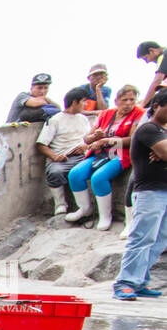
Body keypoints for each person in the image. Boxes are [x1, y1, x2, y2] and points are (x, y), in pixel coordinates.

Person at [113, 89, 167, 300]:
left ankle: (140, 281)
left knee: (159, 241)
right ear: (157, 106)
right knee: (142, 238)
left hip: (163, 191)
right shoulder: (148, 129)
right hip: (150, 192)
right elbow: (164, 152)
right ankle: (125, 283)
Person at [67, 85, 145, 230]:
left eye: (132, 100)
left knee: (99, 177)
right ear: (116, 100)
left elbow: (133, 139)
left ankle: (105, 216)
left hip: (121, 153)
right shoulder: (106, 114)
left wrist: (106, 141)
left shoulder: (139, 114)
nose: (128, 103)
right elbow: (87, 139)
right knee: (75, 174)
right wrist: (95, 137)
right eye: (124, 100)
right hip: (100, 153)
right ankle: (85, 209)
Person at [37, 87, 92, 215]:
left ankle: (85, 209)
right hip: (64, 158)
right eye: (83, 101)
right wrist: (55, 157)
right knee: (54, 171)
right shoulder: (56, 120)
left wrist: (86, 146)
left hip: (83, 155)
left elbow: (88, 139)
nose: (85, 104)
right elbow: (41, 144)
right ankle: (60, 205)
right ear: (74, 102)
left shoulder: (83, 119)